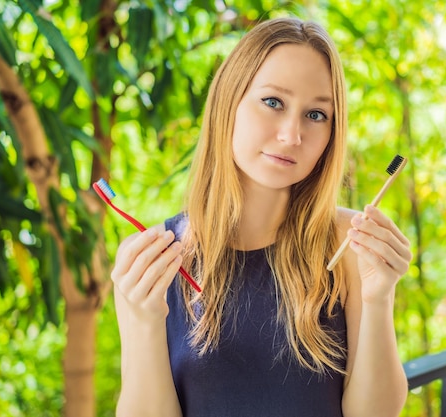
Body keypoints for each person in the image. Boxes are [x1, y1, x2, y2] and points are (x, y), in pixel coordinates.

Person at [111, 16, 412, 417]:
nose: (292, 135)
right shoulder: (151, 259)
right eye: (273, 102)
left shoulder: (350, 243)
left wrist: (379, 298)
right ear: (228, 101)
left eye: (316, 114)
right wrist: (147, 322)